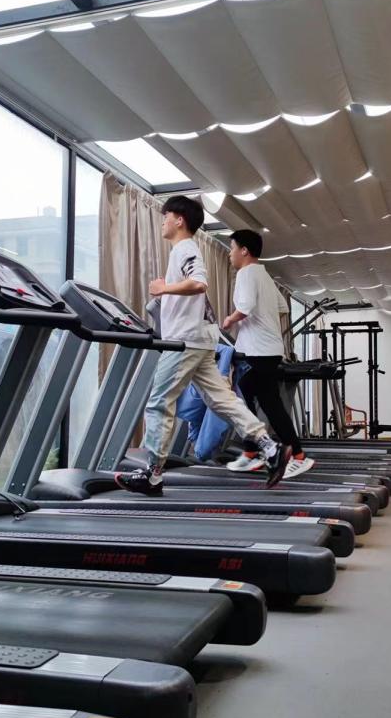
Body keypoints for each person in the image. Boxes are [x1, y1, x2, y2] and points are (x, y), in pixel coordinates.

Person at [114, 196, 290, 496]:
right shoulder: (183, 251)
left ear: (179, 220)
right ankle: (270, 448)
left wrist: (163, 288)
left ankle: (152, 475)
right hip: (200, 340)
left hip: (186, 341)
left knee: (159, 402)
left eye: (165, 217)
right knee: (222, 400)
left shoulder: (185, 248)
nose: (163, 222)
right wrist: (166, 295)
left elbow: (199, 283)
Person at [221, 229, 315, 479]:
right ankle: (254, 450)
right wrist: (263, 319)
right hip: (269, 349)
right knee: (251, 393)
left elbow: (245, 307)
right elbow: (283, 307)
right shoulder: (264, 275)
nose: (230, 254)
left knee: (261, 401)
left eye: (232, 248)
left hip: (259, 351)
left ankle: (295, 454)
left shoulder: (246, 273)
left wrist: (229, 320)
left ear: (244, 250)